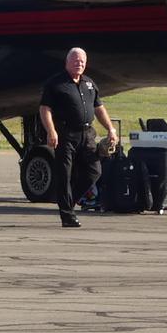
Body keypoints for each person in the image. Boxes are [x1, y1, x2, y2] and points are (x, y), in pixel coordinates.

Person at [38, 47, 118, 227]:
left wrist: (111, 129)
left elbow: (99, 108)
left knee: (94, 170)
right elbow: (45, 109)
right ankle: (67, 216)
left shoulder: (89, 83)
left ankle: (69, 202)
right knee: (64, 174)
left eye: (82, 61)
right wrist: (51, 131)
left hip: (87, 133)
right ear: (67, 63)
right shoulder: (56, 84)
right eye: (75, 61)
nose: (79, 64)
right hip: (65, 134)